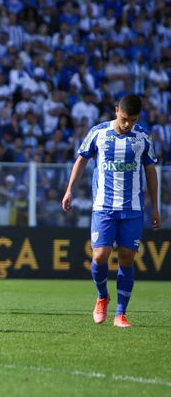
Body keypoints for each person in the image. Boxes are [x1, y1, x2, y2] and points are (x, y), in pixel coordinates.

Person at [62, 94, 160, 328]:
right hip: (104, 207)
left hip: (133, 208)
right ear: (117, 111)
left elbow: (151, 171)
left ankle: (120, 313)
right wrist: (69, 190)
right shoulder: (98, 133)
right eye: (125, 118)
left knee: (126, 258)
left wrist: (155, 207)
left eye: (133, 120)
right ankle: (102, 296)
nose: (128, 124)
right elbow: (81, 160)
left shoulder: (143, 136)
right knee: (99, 255)